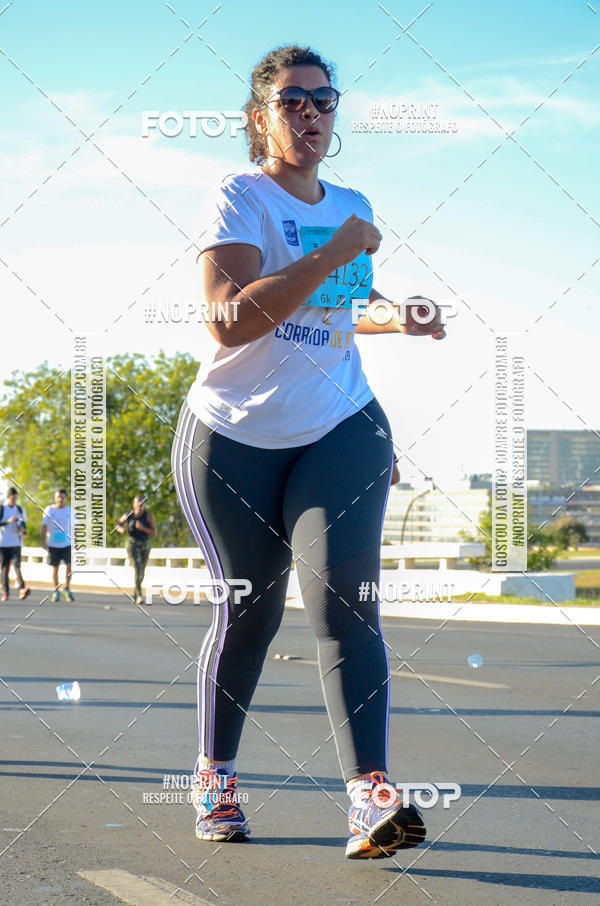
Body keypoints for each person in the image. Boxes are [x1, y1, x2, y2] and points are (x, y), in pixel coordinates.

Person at [172, 44, 446, 858]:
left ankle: (370, 798)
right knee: (250, 611)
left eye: (324, 99)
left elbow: (334, 311)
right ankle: (215, 775)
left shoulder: (351, 199)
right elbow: (231, 319)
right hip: (234, 436)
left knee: (346, 606)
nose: (311, 113)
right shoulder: (238, 197)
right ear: (259, 118)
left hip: (341, 423)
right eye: (291, 101)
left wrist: (400, 315)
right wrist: (333, 251)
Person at [116, 496, 157, 605]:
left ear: (144, 505)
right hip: (132, 544)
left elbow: (154, 532)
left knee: (142, 570)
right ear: (134, 504)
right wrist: (122, 530)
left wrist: (142, 528)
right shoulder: (128, 515)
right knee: (137, 567)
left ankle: (136, 591)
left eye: (142, 503)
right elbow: (118, 525)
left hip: (144, 544)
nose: (139, 505)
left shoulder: (148, 516)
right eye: (137, 503)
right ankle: (139, 595)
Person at [41, 489, 73, 603]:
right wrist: (43, 541)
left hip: (67, 544)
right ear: (55, 498)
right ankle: (56, 591)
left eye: (62, 497)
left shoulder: (70, 510)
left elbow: (76, 527)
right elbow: (44, 527)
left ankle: (67, 588)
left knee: (69, 567)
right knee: (55, 568)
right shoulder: (49, 510)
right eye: (58, 497)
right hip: (53, 544)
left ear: (66, 498)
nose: (60, 499)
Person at [0, 487, 30, 602]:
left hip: (16, 543)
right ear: (8, 497)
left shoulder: (20, 509)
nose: (14, 501)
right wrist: (7, 521)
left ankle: (22, 588)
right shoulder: (2, 509)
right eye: (12, 498)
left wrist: (22, 530)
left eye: (16, 498)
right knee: (4, 568)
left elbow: (24, 525)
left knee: (17, 565)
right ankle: (5, 592)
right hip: (3, 544)